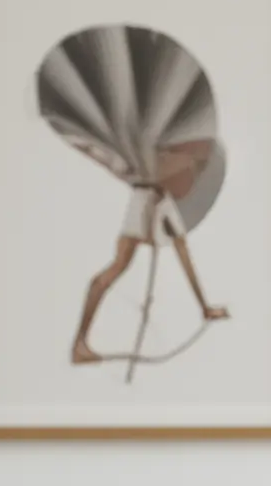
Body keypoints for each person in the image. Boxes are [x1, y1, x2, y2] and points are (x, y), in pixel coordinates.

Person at [71, 147, 228, 365]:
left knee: (178, 248)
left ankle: (204, 307)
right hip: (148, 196)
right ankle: (79, 344)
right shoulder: (170, 150)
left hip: (159, 197)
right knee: (118, 265)